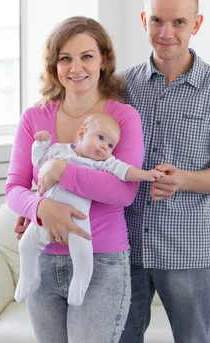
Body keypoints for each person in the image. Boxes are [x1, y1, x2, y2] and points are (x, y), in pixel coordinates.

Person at [16, 0, 210, 343]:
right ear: (144, 20)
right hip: (126, 247)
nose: (166, 32)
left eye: (179, 22)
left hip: (186, 246)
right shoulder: (121, 86)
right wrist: (39, 205)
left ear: (197, 24)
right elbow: (81, 157)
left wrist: (184, 180)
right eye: (157, 20)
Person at [5, 16, 145, 343]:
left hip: (102, 262)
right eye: (65, 58)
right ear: (54, 65)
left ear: (103, 61)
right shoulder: (34, 119)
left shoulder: (122, 118)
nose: (75, 67)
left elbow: (122, 191)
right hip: (42, 262)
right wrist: (41, 208)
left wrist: (62, 172)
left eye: (86, 56)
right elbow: (14, 189)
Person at [15, 112, 163, 306]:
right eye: (101, 138)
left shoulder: (103, 163)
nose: (104, 146)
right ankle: (28, 276)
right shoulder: (60, 150)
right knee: (26, 245)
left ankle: (79, 284)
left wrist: (146, 175)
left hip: (78, 223)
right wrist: (40, 145)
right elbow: (39, 161)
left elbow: (126, 172)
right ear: (82, 132)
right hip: (46, 217)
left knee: (83, 254)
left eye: (110, 145)